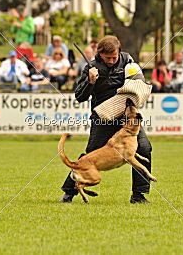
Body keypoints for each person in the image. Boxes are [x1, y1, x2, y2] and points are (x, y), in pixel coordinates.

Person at [60, 35, 153, 204]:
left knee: (144, 148)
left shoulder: (127, 61)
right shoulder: (91, 67)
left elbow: (138, 83)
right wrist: (90, 81)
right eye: (108, 58)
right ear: (99, 54)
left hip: (126, 119)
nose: (111, 61)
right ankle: (69, 192)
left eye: (114, 57)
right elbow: (80, 96)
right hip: (103, 117)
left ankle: (139, 195)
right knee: (90, 155)